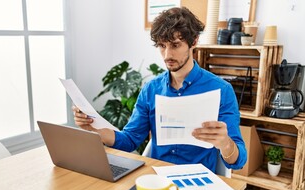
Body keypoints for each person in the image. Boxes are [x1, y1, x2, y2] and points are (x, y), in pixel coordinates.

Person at [73, 7, 246, 173]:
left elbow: (239, 161)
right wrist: (94, 130)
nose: (167, 55)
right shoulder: (151, 89)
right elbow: (130, 139)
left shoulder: (221, 90)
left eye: (175, 45)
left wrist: (225, 143)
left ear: (194, 42)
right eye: (162, 46)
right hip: (156, 180)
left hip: (198, 181)